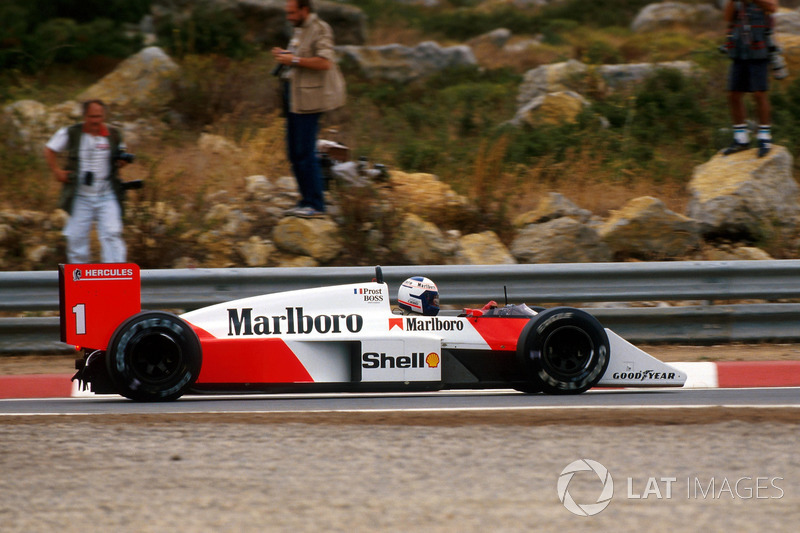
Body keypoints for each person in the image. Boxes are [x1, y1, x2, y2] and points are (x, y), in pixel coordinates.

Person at [272, 0, 346, 218]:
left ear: (305, 10)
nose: (289, 16)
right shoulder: (299, 30)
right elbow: (302, 57)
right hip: (295, 99)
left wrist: (292, 59)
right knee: (294, 153)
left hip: (309, 102)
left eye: (292, 12)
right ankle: (305, 200)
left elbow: (325, 62)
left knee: (305, 153)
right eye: (288, 12)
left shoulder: (320, 29)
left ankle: (315, 204)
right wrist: (286, 55)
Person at [44, 99, 130, 263]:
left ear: (104, 115)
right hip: (81, 195)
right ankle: (79, 281)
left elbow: (121, 154)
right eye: (92, 116)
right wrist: (56, 171)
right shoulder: (72, 133)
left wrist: (122, 162)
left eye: (99, 116)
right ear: (84, 116)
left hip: (107, 193)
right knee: (76, 238)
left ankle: (115, 279)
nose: (96, 121)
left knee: (112, 234)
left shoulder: (113, 134)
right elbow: (49, 149)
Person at [721, 0, 778, 158]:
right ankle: (741, 139)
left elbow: (772, 7)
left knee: (759, 93)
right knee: (733, 94)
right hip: (739, 49)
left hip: (759, 48)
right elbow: (727, 17)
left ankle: (764, 137)